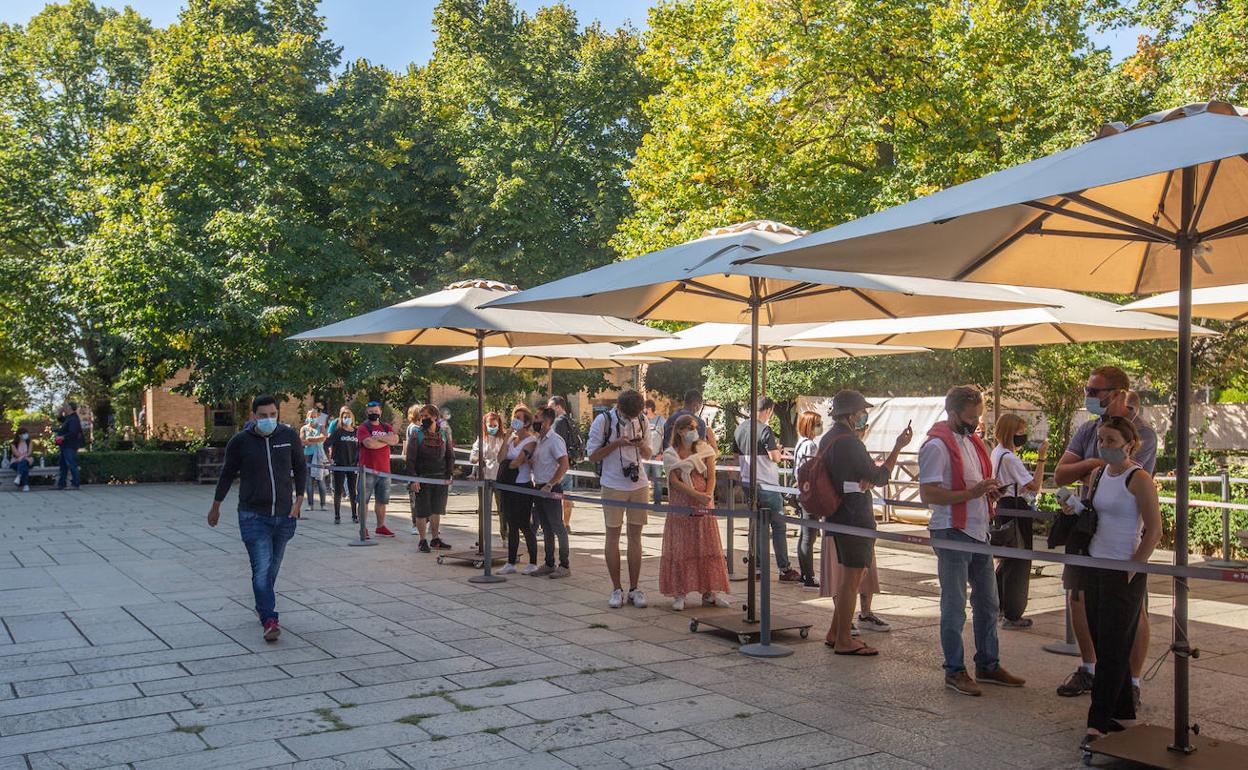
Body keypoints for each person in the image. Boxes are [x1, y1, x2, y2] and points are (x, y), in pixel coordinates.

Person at [1054, 368, 1157, 704]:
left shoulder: (1143, 433)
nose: (1090, 397)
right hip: (1088, 530)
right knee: (1079, 599)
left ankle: (1133, 681)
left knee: (1131, 611)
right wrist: (1096, 465)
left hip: (1123, 539)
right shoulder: (1087, 429)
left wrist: (1091, 465)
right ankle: (1089, 668)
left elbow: (1126, 473)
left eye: (1095, 391)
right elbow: (1061, 474)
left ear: (1118, 393)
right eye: (1089, 389)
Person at [919, 385, 1024, 695]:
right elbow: (929, 493)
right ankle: (954, 669)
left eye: (979, 416)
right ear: (952, 413)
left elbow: (972, 484)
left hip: (978, 530)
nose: (977, 422)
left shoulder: (973, 441)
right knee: (954, 605)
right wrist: (972, 493)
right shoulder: (936, 446)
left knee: (988, 602)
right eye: (971, 417)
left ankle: (988, 664)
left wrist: (989, 490)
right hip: (951, 530)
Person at [1068, 416, 1161, 757]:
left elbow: (1154, 530)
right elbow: (1096, 515)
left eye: (1110, 441)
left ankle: (1098, 721)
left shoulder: (1140, 479)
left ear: (1129, 444)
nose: (1104, 446)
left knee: (1112, 647)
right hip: (1095, 565)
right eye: (1101, 440)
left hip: (1123, 570)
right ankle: (1123, 714)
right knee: (1103, 639)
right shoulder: (1097, 474)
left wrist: (1133, 568)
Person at [821, 390, 912, 656]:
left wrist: (865, 478)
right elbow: (879, 476)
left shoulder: (829, 438)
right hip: (854, 516)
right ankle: (844, 640)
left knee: (850, 578)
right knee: (852, 579)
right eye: (861, 413)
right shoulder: (849, 442)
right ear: (851, 415)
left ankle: (835, 632)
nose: (864, 417)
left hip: (838, 514)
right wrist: (897, 447)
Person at [209, 394, 305, 642]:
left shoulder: (288, 436)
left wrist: (299, 501)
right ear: (253, 417)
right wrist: (216, 506)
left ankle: (262, 605)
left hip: (284, 516)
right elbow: (227, 474)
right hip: (253, 516)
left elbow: (301, 467)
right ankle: (270, 619)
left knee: (271, 568)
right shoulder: (240, 442)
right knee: (261, 568)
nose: (268, 419)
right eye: (263, 416)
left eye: (272, 414)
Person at [587, 389, 652, 608]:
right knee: (612, 535)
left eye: (635, 416)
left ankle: (635, 588)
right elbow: (592, 455)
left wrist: (640, 443)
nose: (631, 419)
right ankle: (616, 588)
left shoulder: (642, 420)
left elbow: (649, 454)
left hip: (639, 483)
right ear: (619, 408)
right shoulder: (603, 421)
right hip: (613, 483)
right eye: (627, 416)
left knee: (636, 536)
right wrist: (617, 443)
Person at [659, 413, 731, 610]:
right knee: (682, 546)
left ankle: (710, 592)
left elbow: (712, 475)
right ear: (680, 431)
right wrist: (695, 495)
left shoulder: (704, 450)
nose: (694, 432)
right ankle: (679, 592)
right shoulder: (671, 454)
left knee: (706, 545)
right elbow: (674, 480)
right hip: (681, 503)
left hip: (704, 503)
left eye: (695, 428)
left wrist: (706, 494)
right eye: (690, 428)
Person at [733, 396, 799, 582]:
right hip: (767, 484)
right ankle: (784, 568)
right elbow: (775, 457)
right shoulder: (765, 430)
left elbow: (735, 454)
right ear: (769, 410)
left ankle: (758, 567)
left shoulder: (740, 429)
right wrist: (777, 450)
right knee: (778, 526)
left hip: (748, 483)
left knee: (759, 526)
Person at [991, 414, 1047, 629]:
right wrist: (1041, 458)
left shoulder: (997, 453)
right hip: (1016, 508)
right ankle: (1013, 614)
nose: (1024, 437)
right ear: (1010, 433)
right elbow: (1034, 486)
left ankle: (999, 606)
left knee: (1007, 560)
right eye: (1020, 432)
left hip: (1003, 508)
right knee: (1019, 562)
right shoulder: (1010, 458)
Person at [527, 406, 572, 577]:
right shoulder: (539, 440)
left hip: (550, 488)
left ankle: (565, 565)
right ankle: (549, 562)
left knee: (557, 526)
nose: (534, 421)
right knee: (545, 527)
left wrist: (551, 484)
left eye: (536, 417)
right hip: (538, 487)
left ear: (546, 421)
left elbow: (564, 464)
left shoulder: (555, 440)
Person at [405, 404, 455, 553]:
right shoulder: (416, 434)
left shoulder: (444, 434)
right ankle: (422, 540)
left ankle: (435, 539)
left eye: (426, 416)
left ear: (434, 416)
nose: (423, 419)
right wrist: (413, 479)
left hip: (440, 478)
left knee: (436, 510)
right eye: (422, 417)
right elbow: (410, 459)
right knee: (422, 511)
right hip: (422, 478)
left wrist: (449, 474)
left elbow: (450, 456)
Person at [497, 405, 539, 574]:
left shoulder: (530, 441)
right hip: (508, 485)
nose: (516, 420)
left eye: (519, 418)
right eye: (515, 417)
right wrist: (507, 435)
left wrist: (511, 463)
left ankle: (533, 561)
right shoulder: (510, 439)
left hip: (522, 485)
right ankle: (511, 561)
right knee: (511, 524)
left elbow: (517, 462)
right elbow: (500, 458)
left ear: (527, 422)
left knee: (524, 524)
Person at [356, 401, 399, 538]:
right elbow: (369, 444)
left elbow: (395, 440)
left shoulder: (386, 426)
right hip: (367, 470)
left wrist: (377, 439)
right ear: (367, 413)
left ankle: (380, 526)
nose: (374, 413)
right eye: (371, 412)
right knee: (364, 501)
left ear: (380, 412)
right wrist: (385, 440)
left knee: (382, 501)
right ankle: (363, 528)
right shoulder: (363, 427)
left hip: (384, 470)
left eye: (376, 411)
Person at [793, 410, 823, 589]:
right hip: (810, 493)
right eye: (817, 424)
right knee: (809, 535)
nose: (820, 427)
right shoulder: (810, 445)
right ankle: (809, 576)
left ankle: (805, 573)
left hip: (802, 492)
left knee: (805, 534)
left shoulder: (800, 444)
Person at [546, 396, 581, 531]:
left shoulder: (557, 422)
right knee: (567, 496)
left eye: (551, 407)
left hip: (559, 466)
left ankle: (555, 525)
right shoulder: (571, 421)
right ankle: (566, 524)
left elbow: (552, 443)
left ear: (558, 407)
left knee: (554, 496)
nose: (549, 410)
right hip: (571, 464)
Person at [471, 411, 507, 542]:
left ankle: (505, 534)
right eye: (489, 425)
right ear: (484, 425)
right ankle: (482, 536)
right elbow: (473, 455)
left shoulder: (503, 438)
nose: (492, 427)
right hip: (485, 477)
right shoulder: (481, 439)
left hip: (500, 477)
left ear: (499, 425)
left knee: (502, 508)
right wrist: (476, 459)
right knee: (484, 508)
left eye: (494, 425)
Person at [323, 406, 358, 524]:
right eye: (344, 417)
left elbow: (361, 448)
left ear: (352, 418)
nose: (347, 419)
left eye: (348, 417)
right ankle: (337, 516)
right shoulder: (338, 431)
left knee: (353, 491)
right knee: (338, 491)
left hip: (352, 465)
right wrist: (330, 459)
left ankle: (354, 515)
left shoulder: (356, 431)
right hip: (339, 464)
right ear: (341, 419)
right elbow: (326, 444)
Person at [299, 407, 328, 511]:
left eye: (314, 417)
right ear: (307, 417)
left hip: (319, 456)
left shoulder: (321, 427)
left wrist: (310, 439)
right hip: (308, 455)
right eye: (311, 417)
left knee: (321, 481)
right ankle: (310, 504)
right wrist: (316, 439)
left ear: (317, 417)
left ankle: (323, 504)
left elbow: (324, 437)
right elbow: (302, 441)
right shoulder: (304, 428)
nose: (313, 418)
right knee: (309, 481)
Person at [54, 402, 84, 490]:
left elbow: (73, 432)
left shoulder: (74, 419)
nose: (64, 408)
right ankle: (61, 484)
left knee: (71, 464)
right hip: (65, 445)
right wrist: (60, 412)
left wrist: (62, 437)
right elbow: (60, 419)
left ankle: (75, 484)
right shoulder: (69, 418)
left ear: (70, 408)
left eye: (66, 406)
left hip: (70, 445)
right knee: (63, 465)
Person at [644, 399, 667, 507]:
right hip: (645, 457)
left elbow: (665, 438)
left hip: (657, 456)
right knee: (643, 479)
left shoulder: (660, 420)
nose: (643, 411)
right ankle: (643, 501)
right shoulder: (642, 421)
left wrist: (662, 454)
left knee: (658, 480)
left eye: (644, 408)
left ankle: (657, 503)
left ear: (649, 409)